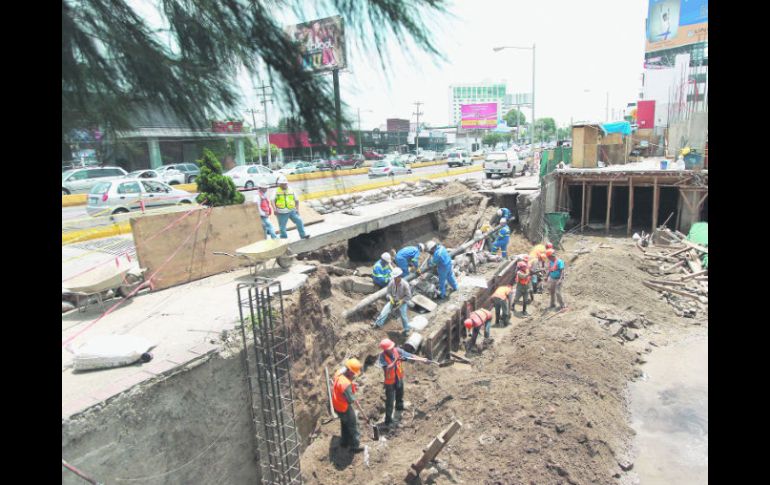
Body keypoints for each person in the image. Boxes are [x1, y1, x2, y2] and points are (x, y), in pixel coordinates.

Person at [378, 338, 428, 427]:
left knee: (400, 395)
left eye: (392, 347)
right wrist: (396, 360)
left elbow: (409, 355)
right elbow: (387, 368)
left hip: (399, 378)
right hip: (390, 383)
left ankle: (399, 408)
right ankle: (388, 421)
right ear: (385, 350)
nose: (392, 348)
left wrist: (421, 359)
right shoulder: (382, 357)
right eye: (390, 348)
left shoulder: (397, 350)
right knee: (390, 401)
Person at [332, 358, 364, 452]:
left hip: (336, 404)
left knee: (344, 423)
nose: (354, 374)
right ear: (349, 370)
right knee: (353, 424)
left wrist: (352, 385)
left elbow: (342, 386)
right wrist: (352, 392)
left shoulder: (339, 373)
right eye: (353, 372)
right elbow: (350, 400)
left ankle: (344, 442)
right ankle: (355, 446)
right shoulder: (345, 384)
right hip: (343, 407)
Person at [372, 267, 412, 335]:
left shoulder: (405, 285)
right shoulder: (392, 282)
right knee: (384, 311)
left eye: (395, 277)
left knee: (403, 315)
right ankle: (378, 324)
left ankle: (406, 330)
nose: (394, 279)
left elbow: (409, 296)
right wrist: (390, 298)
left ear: (399, 277)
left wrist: (402, 301)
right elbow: (388, 293)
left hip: (402, 302)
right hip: (393, 300)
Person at [273, 175, 310, 240]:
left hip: (291, 210)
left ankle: (303, 235)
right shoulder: (276, 191)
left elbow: (296, 200)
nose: (284, 185)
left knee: (299, 221)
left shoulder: (291, 189)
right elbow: (272, 200)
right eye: (283, 184)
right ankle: (284, 239)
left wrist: (297, 209)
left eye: (285, 184)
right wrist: (274, 209)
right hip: (282, 212)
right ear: (280, 184)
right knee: (282, 227)